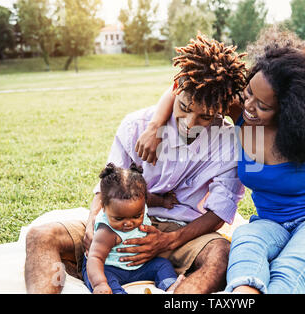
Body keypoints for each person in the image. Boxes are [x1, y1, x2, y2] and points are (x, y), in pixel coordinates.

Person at [134, 27, 305, 294]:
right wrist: (154, 127)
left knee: (288, 272)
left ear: (291, 109)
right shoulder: (243, 113)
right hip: (269, 223)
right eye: (249, 93)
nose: (249, 105)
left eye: (263, 106)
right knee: (244, 245)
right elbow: (187, 85)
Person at [24, 35, 247, 294]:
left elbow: (219, 212)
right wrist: (92, 219)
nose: (189, 122)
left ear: (221, 109)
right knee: (40, 236)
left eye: (205, 116)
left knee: (221, 254)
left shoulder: (230, 142)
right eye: (184, 107)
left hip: (184, 232)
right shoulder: (136, 125)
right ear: (175, 87)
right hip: (120, 224)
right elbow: (108, 182)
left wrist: (169, 240)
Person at [83, 162, 184, 294]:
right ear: (104, 207)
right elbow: (95, 258)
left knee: (162, 264)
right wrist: (99, 283)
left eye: (136, 216)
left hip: (139, 267)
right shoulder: (106, 232)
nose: (129, 223)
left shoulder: (137, 204)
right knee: (107, 283)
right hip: (108, 268)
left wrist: (162, 202)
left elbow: (148, 199)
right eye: (119, 218)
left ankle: (170, 286)